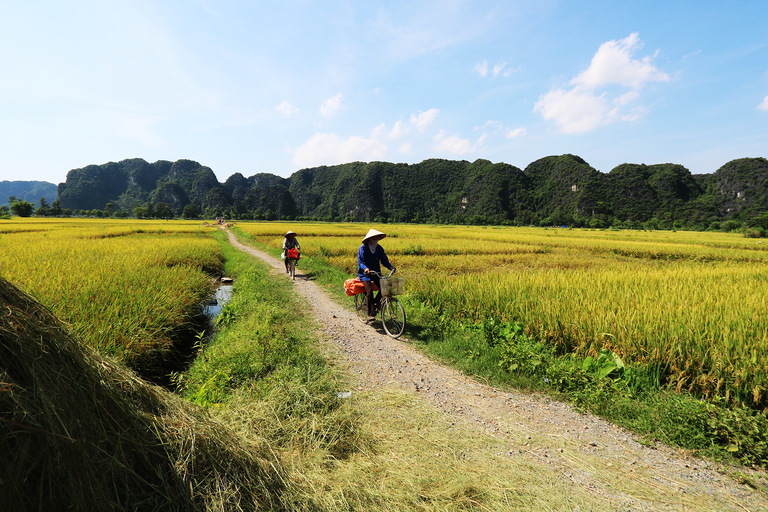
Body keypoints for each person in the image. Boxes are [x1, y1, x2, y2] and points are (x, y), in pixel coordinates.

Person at [357, 229, 395, 321]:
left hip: (376, 273)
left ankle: (373, 304)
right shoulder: (363, 248)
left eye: (378, 237)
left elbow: (384, 260)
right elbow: (360, 261)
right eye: (374, 237)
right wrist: (365, 268)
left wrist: (390, 267)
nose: (376, 238)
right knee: (369, 291)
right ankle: (370, 314)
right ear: (370, 238)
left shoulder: (379, 249)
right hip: (364, 274)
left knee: (384, 289)